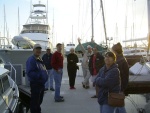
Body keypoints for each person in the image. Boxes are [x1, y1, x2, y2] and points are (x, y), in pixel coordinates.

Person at [26, 44, 48, 113]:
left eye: (39, 49)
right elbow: (29, 72)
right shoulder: (31, 60)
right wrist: (40, 76)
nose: (38, 50)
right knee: (35, 103)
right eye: (37, 49)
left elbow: (42, 69)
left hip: (41, 84)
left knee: (39, 102)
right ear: (33, 50)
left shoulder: (39, 59)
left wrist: (44, 75)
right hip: (36, 85)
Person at [112, 43, 129, 113]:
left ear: (115, 51)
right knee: (118, 105)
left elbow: (121, 76)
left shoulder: (119, 61)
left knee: (120, 106)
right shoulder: (121, 59)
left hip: (119, 87)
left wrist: (121, 88)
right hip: (120, 86)